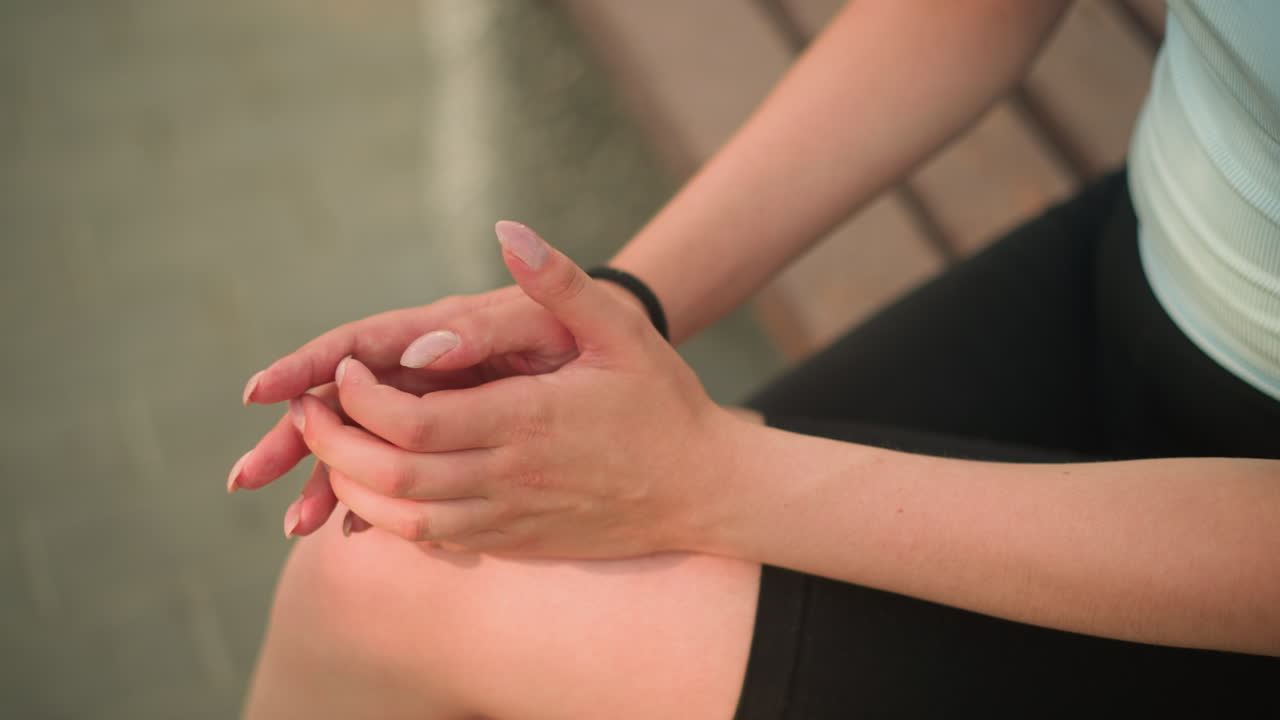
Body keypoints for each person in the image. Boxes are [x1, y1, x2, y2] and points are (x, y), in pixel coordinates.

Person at [232, 1, 1280, 717]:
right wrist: (613, 309)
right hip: (1144, 259)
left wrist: (707, 482)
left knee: (378, 587)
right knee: (403, 550)